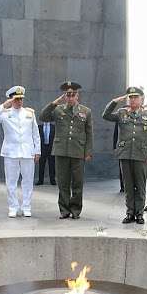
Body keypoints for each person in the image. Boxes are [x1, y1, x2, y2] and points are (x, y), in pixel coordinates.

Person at [103, 86, 147, 224]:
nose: (133, 100)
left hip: (141, 153)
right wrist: (115, 101)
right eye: (130, 97)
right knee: (128, 185)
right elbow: (106, 115)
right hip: (125, 153)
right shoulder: (121, 113)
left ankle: (139, 213)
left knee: (140, 184)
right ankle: (130, 212)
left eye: (135, 97)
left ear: (141, 99)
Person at [40, 81, 93, 219]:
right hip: (61, 150)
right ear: (64, 96)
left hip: (77, 150)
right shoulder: (58, 110)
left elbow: (89, 133)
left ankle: (75, 210)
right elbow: (43, 117)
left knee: (77, 182)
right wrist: (53, 104)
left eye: (73, 95)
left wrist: (88, 151)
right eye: (68, 95)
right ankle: (64, 210)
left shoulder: (86, 112)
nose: (70, 98)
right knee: (63, 182)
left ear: (77, 95)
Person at [0, 86, 40, 218]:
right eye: (16, 99)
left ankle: (26, 207)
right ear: (11, 100)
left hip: (27, 151)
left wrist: (37, 151)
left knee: (28, 180)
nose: (19, 102)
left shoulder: (30, 113)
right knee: (11, 181)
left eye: (21, 99)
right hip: (11, 152)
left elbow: (36, 134)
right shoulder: (5, 113)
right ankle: (13, 206)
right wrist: (4, 105)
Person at [36, 121, 56, 185]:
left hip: (51, 148)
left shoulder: (54, 127)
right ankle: (40, 180)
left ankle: (52, 180)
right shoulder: (39, 127)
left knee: (52, 164)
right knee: (41, 164)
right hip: (42, 147)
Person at [113, 122, 124, 192]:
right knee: (122, 168)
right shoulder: (121, 116)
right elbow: (116, 133)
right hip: (122, 147)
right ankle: (123, 186)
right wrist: (114, 146)